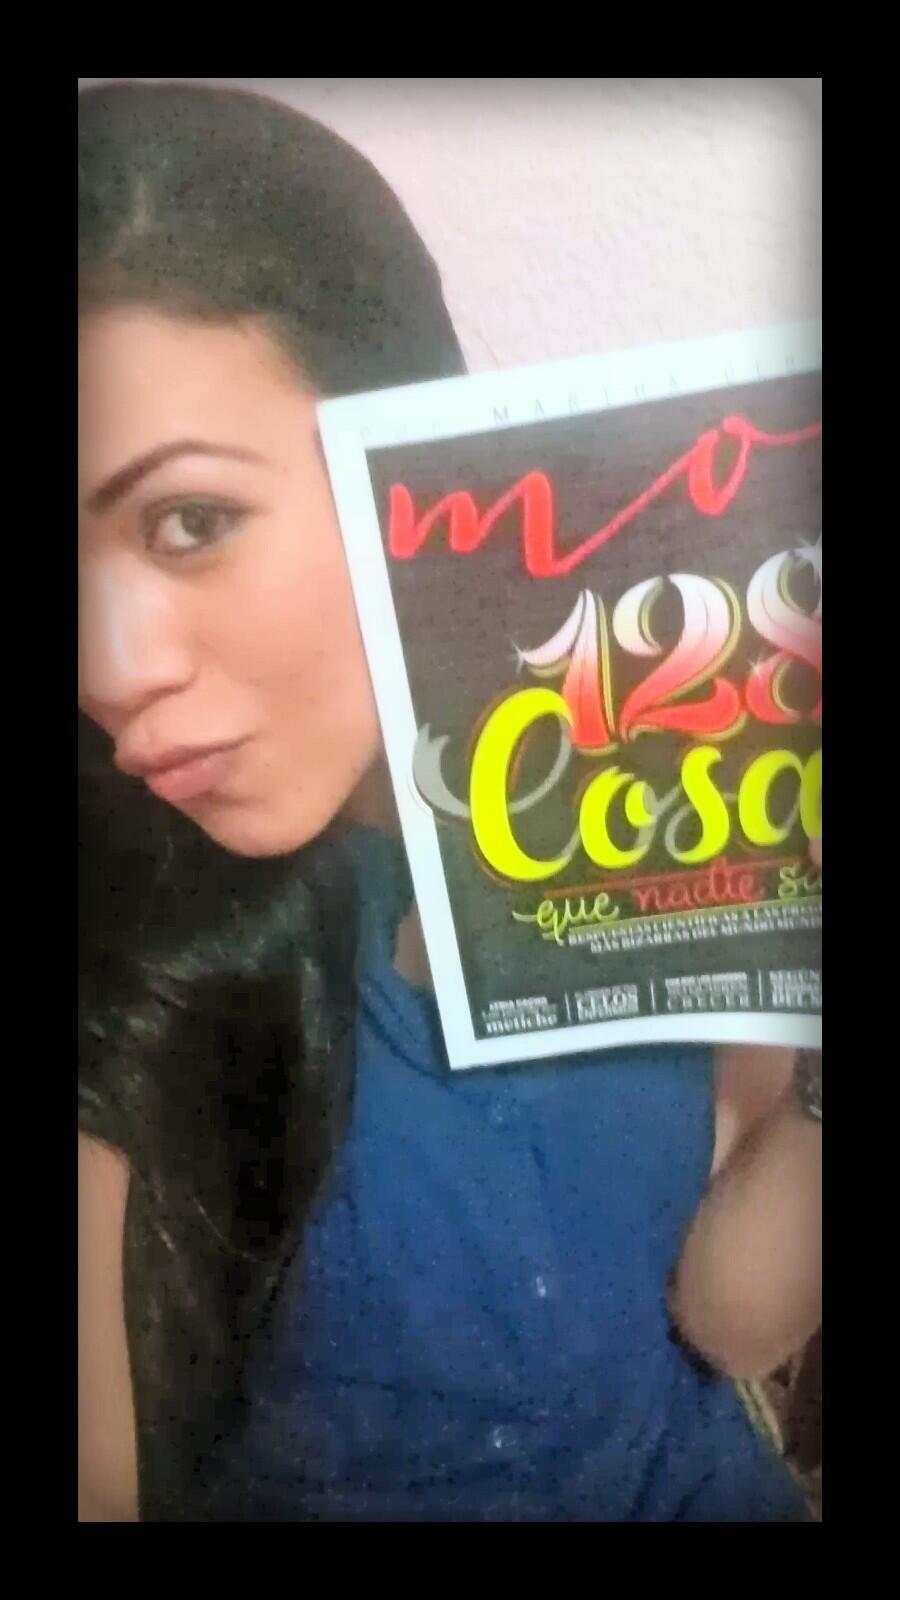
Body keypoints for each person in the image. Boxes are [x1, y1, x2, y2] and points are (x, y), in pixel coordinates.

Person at [78, 81, 822, 1523]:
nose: (106, 673)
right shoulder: (125, 954)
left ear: (408, 448)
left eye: (190, 520)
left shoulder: (661, 780)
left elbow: (731, 1327)